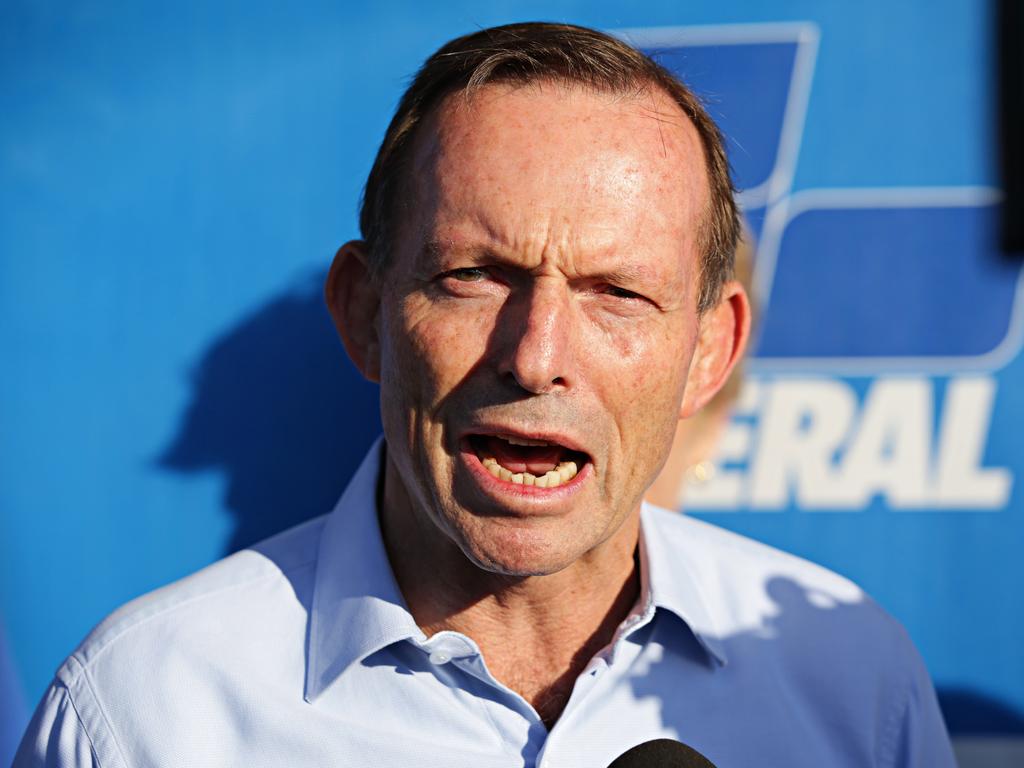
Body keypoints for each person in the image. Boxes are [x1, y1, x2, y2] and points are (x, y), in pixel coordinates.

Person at [15, 22, 955, 767]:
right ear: (362, 312)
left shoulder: (856, 684)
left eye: (616, 292)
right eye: (474, 275)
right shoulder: (141, 714)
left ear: (712, 351)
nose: (537, 356)